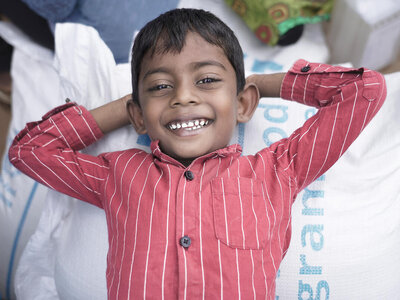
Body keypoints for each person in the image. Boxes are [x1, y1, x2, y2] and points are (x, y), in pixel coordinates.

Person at [8, 8, 386, 299]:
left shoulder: (277, 170)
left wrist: (258, 85)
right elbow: (29, 151)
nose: (183, 96)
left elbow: (364, 90)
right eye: (160, 86)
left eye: (206, 81)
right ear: (138, 114)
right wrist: (127, 106)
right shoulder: (117, 174)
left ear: (242, 104)